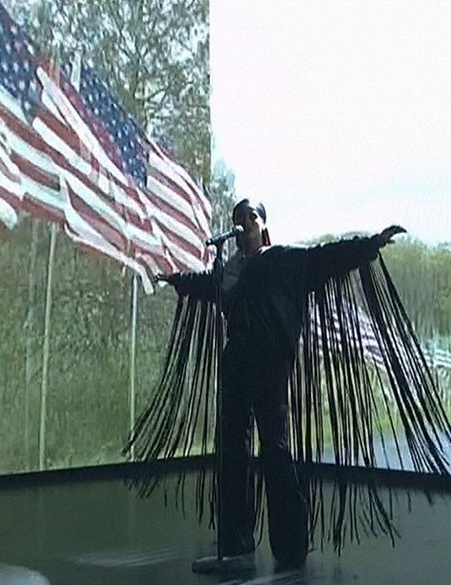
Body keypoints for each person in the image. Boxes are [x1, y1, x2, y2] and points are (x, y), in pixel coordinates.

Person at [164, 199, 407, 568]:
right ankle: (236, 541)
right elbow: (207, 285)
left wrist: (369, 244)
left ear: (264, 224)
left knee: (274, 448)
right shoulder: (228, 270)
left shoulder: (283, 259)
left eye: (252, 216)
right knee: (232, 450)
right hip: (236, 363)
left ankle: (291, 544)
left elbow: (325, 257)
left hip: (269, 364)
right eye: (239, 218)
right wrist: (177, 280)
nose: (245, 223)